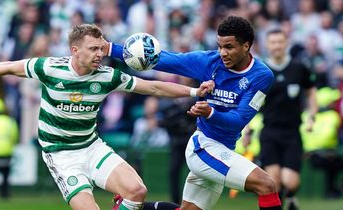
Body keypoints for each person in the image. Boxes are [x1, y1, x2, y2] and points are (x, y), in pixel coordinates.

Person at [0, 24, 213, 210]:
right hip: (61, 154)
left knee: (137, 191)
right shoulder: (49, 68)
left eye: (101, 48)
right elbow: (10, 66)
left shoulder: (107, 76)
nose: (99, 54)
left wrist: (193, 91)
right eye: (93, 49)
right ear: (74, 50)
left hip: (91, 147)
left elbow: (154, 87)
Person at [108, 16, 282, 210]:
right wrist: (108, 48)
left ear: (246, 46)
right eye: (220, 46)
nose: (223, 53)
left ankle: (129, 206)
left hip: (224, 149)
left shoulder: (261, 76)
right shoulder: (208, 61)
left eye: (229, 47)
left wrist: (210, 112)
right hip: (203, 147)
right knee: (267, 185)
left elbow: (238, 121)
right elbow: (163, 59)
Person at [244, 29, 318, 210]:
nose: (277, 45)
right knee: (273, 182)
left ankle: (291, 197)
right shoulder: (261, 71)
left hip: (292, 132)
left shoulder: (299, 68)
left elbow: (311, 91)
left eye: (280, 42)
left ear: (286, 43)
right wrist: (246, 129)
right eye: (273, 42)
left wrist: (312, 116)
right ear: (268, 45)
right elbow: (248, 102)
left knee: (290, 182)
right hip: (269, 131)